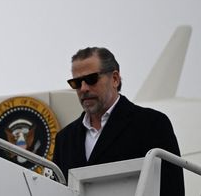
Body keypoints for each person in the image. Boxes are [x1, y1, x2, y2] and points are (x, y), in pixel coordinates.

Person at [53, 47, 184, 196]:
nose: (83, 88)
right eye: (76, 83)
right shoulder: (65, 139)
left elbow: (172, 187)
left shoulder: (152, 124)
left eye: (91, 79)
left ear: (115, 79)